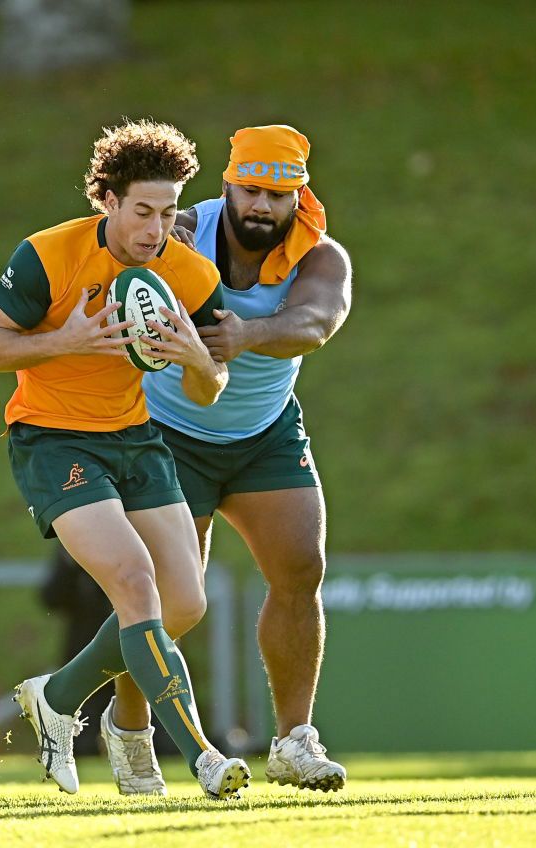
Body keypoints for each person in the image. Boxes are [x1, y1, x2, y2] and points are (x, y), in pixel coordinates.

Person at [0, 119, 251, 800]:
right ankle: (192, 754)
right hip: (53, 438)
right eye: (143, 211)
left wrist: (195, 361)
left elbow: (211, 388)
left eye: (169, 212)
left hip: (135, 438)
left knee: (184, 602)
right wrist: (62, 338)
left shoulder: (190, 274)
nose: (156, 229)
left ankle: (58, 697)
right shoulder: (48, 254)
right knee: (132, 580)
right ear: (108, 201)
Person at [101, 124, 352, 794]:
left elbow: (316, 324)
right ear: (227, 186)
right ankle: (130, 733)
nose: (262, 206)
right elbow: (108, 260)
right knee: (167, 596)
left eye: (277, 193)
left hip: (264, 434)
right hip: (169, 433)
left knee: (301, 567)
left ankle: (294, 741)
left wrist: (247, 334)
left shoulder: (321, 256)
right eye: (250, 189)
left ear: (298, 195)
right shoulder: (179, 231)